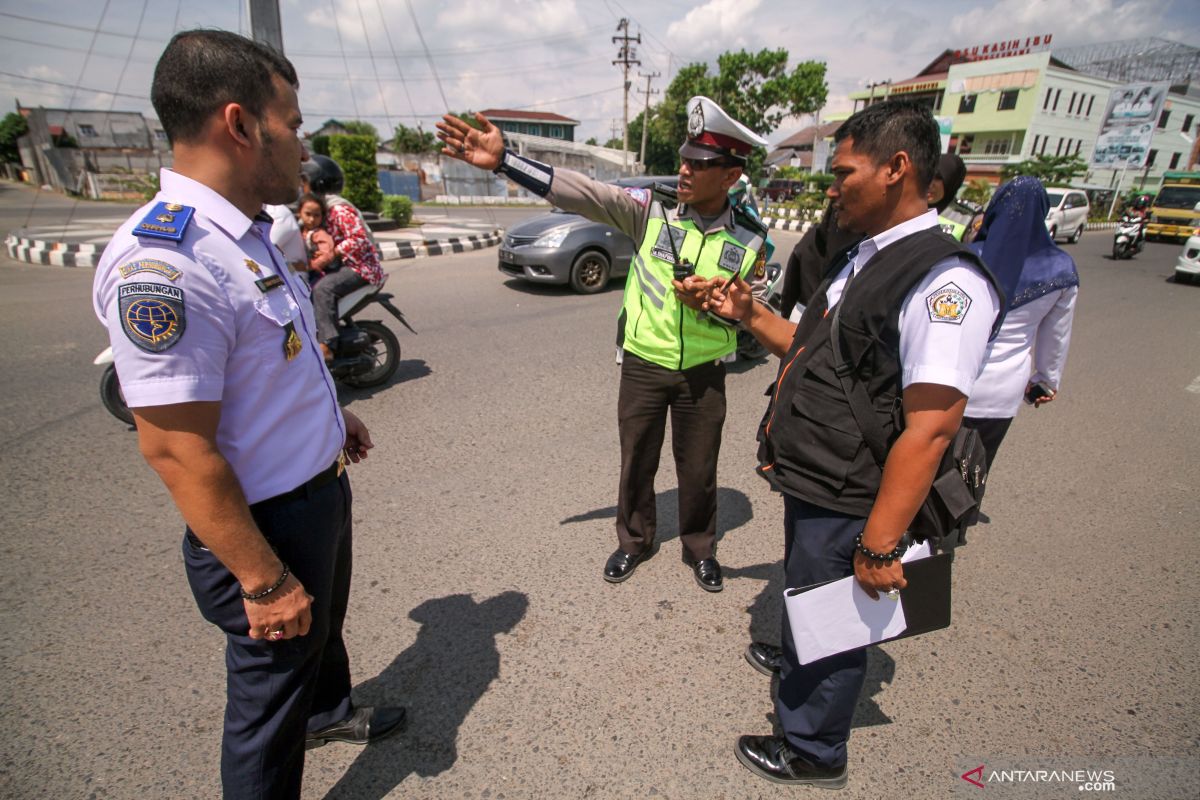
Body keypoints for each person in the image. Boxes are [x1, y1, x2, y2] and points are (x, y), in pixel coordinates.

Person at [90, 30, 405, 800]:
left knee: (317, 644)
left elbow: (279, 360)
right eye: (292, 124)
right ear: (240, 123)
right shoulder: (167, 263)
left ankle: (328, 713)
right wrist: (263, 581)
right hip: (265, 528)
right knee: (266, 715)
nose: (302, 146)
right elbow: (175, 451)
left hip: (317, 489)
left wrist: (335, 422)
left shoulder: (249, 231)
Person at [705, 100, 1000, 788]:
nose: (831, 188)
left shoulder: (943, 280)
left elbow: (931, 426)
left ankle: (812, 749)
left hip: (853, 496)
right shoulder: (862, 257)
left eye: (843, 173)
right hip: (817, 481)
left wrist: (879, 543)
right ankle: (799, 667)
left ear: (897, 168)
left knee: (838, 621)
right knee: (810, 599)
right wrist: (748, 312)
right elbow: (807, 347)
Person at [436, 96, 770, 592]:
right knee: (636, 459)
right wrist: (506, 161)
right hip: (643, 363)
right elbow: (582, 191)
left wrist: (725, 304)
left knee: (699, 469)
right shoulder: (649, 211)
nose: (683, 169)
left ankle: (700, 547)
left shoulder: (751, 239)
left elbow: (756, 309)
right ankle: (634, 540)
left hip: (704, 374)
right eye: (683, 158)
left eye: (698, 164)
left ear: (728, 175)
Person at [962, 175, 1079, 472]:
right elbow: (1057, 336)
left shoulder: (966, 257)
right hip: (1003, 390)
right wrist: (1045, 381)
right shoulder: (1061, 268)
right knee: (975, 470)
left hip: (950, 382)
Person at [301, 155, 384, 361]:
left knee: (323, 288)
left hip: (361, 267)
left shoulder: (338, 209)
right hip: (345, 266)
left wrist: (332, 254)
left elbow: (358, 238)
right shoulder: (320, 209)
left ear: (316, 183)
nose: (301, 188)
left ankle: (327, 344)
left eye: (304, 182)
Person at [297, 192, 338, 281]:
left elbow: (327, 255)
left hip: (318, 274)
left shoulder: (319, 234)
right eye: (308, 214)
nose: (312, 219)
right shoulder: (299, 230)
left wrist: (308, 266)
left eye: (316, 215)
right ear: (299, 213)